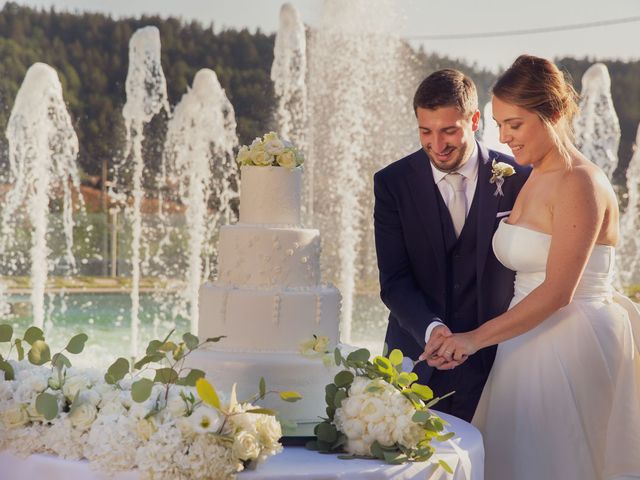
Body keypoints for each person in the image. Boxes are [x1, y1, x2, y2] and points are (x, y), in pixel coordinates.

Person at [426, 54, 640, 479]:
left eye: (515, 124)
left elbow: (559, 290)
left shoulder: (581, 181)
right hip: (522, 341)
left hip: (568, 341)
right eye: (500, 124)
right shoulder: (533, 175)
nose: (504, 138)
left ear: (554, 113)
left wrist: (473, 340)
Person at [373, 69, 529, 422]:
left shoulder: (519, 177)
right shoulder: (392, 183)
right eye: (425, 132)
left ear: (474, 120)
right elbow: (394, 280)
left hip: (497, 360)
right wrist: (433, 331)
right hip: (416, 358)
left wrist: (479, 338)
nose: (437, 145)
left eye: (448, 131)